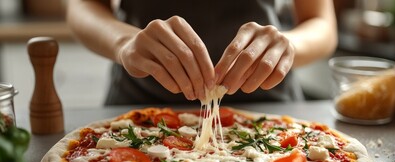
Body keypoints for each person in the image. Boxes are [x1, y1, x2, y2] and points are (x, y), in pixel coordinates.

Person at [66, 0, 337, 105]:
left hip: (268, 105)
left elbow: (321, 22)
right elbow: (82, 7)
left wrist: (287, 46)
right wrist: (124, 42)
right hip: (139, 103)